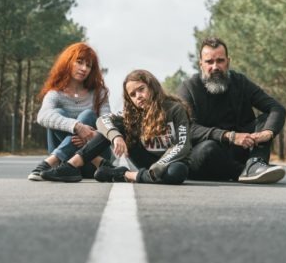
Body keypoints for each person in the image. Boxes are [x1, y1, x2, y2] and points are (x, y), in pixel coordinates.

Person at [41, 69, 191, 184]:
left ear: (152, 87)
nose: (138, 96)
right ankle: (71, 166)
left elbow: (182, 145)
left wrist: (159, 166)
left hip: (169, 161)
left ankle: (122, 174)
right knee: (115, 125)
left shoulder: (175, 109)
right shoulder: (133, 113)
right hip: (144, 160)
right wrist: (116, 136)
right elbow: (102, 120)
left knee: (178, 172)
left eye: (141, 89)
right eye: (132, 94)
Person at [178, 36, 286, 184]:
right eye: (209, 62)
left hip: (239, 151)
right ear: (201, 64)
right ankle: (244, 171)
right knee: (208, 149)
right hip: (205, 156)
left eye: (220, 61)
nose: (215, 67)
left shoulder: (240, 82)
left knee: (265, 120)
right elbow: (187, 128)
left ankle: (256, 163)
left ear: (228, 62)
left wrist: (267, 133)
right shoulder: (188, 88)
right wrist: (229, 136)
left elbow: (276, 108)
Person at [27, 42, 111, 181]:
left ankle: (50, 162)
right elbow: (43, 116)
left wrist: (93, 135)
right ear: (68, 62)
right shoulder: (55, 93)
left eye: (88, 65)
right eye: (79, 62)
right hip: (65, 164)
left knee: (88, 115)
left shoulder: (99, 93)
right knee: (56, 113)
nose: (84, 68)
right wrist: (77, 127)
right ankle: (67, 166)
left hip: (94, 165)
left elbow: (108, 123)